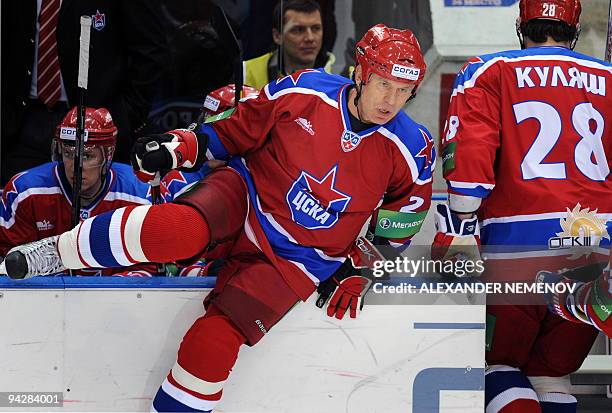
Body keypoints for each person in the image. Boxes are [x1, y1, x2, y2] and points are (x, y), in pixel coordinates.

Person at [1, 25, 434, 412]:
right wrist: (179, 147)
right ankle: (54, 251)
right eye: (384, 85)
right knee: (177, 230)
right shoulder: (304, 91)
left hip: (299, 259)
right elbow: (234, 129)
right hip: (246, 195)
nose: (391, 101)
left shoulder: (412, 149)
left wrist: (360, 266)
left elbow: (401, 221)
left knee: (216, 344)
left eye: (403, 92)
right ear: (361, 73)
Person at [434, 0, 611, 411]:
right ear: (576, 28)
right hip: (596, 248)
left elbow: (468, 174)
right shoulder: (607, 77)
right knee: (553, 372)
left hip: (517, 247)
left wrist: (460, 228)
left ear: (520, 25)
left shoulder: (488, 70)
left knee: (499, 365)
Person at [0, 107, 200, 276]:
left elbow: (153, 265)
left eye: (87, 156)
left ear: (108, 155)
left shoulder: (140, 194)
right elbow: (8, 264)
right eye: (68, 154)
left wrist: (108, 293)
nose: (75, 166)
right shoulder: (25, 191)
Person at [1, 0, 167, 184]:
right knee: (19, 203)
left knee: (94, 207)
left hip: (96, 122)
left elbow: (150, 51)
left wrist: (127, 116)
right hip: (23, 123)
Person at [243, 0, 335, 89]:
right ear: (277, 36)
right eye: (298, 30)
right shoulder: (246, 73)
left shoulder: (339, 75)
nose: (310, 38)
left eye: (316, 28)